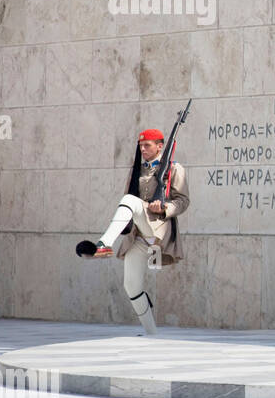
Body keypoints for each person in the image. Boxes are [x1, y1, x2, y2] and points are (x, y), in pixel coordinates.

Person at [75, 127, 190, 337]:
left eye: (147, 145)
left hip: (158, 229)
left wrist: (164, 207)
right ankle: (151, 333)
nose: (143, 149)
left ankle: (103, 245)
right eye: (140, 145)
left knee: (129, 200)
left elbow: (183, 201)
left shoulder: (175, 169)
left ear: (160, 146)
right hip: (138, 234)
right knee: (131, 286)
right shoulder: (137, 170)